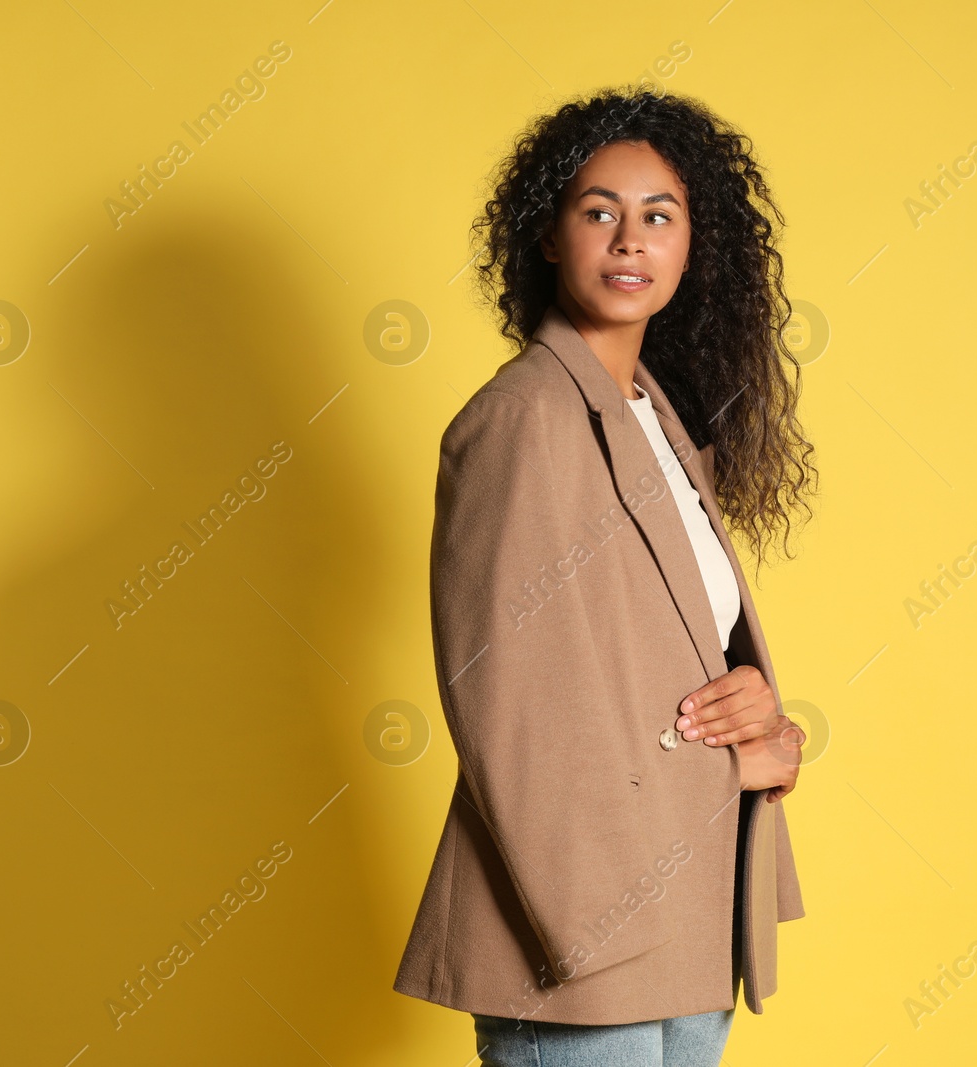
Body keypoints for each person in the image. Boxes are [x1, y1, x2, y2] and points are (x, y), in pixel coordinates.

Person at [393, 86, 820, 1067]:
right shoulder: (524, 419)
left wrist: (754, 705)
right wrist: (720, 773)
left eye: (657, 216)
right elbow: (515, 708)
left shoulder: (653, 415)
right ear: (548, 236)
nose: (630, 240)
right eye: (599, 211)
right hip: (585, 919)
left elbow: (657, 648)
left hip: (686, 903)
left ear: (690, 245)